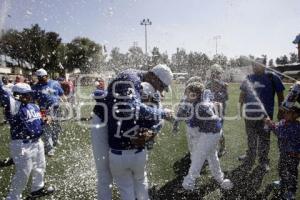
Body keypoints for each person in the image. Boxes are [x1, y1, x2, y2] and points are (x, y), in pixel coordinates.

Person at [92, 64, 173, 200]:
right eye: (161, 86)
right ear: (153, 77)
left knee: (122, 173)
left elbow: (153, 117)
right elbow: (132, 108)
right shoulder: (130, 77)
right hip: (103, 120)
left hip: (117, 123)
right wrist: (162, 113)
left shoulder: (144, 83)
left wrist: (152, 132)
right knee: (104, 172)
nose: (160, 91)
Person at [0, 82, 54, 200]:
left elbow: (37, 120)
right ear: (17, 95)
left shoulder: (33, 106)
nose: (28, 96)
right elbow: (2, 92)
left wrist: (45, 120)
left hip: (37, 142)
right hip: (22, 144)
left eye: (29, 94)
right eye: (25, 94)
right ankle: (13, 197)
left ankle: (37, 189)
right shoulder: (14, 105)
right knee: (24, 173)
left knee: (40, 166)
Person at [181, 82, 233, 191]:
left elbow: (192, 124)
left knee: (198, 157)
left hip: (210, 133)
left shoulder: (199, 107)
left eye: (189, 94)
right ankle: (219, 177)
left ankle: (189, 183)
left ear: (196, 95)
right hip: (213, 132)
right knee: (211, 155)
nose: (186, 96)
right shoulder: (200, 102)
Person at [238, 58, 285, 171]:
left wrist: (281, 110)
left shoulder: (272, 77)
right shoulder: (248, 78)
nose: (254, 67)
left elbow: (280, 95)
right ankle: (250, 156)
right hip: (249, 115)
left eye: (257, 65)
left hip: (265, 116)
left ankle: (263, 161)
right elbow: (242, 94)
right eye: (253, 65)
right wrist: (240, 108)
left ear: (264, 65)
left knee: (264, 138)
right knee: (251, 137)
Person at [265, 106, 300, 200]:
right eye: (285, 112)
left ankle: (291, 191)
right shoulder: (283, 122)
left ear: (295, 115)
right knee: (281, 168)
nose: (285, 114)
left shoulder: (296, 126)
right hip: (284, 153)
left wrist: (271, 125)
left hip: (293, 155)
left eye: (288, 113)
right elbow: (276, 127)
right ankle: (283, 183)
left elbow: (281, 133)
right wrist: (269, 125)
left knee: (292, 173)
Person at [31, 68, 65, 156]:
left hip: (57, 109)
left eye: (42, 77)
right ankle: (49, 148)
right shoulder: (35, 87)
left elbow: (61, 94)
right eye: (38, 77)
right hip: (44, 111)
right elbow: (32, 100)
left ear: (47, 76)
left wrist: (65, 103)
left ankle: (55, 140)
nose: (40, 79)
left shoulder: (55, 83)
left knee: (57, 127)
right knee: (47, 130)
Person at [206, 64, 228, 157]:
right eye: (214, 73)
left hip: (219, 111)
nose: (215, 75)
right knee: (208, 129)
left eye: (218, 73)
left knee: (219, 130)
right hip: (209, 110)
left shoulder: (223, 85)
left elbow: (226, 98)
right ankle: (209, 147)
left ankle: (223, 147)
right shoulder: (207, 84)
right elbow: (205, 97)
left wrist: (220, 92)